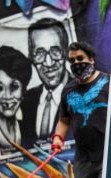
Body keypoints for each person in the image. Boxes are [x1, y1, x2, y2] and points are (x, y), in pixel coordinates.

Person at [51, 41, 109, 178]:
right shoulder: (69, 90)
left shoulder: (108, 82)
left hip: (109, 152)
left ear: (91, 59)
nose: (76, 63)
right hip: (84, 155)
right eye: (72, 60)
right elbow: (64, 119)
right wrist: (58, 138)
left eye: (80, 59)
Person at [21, 18, 69, 146]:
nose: (48, 62)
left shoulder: (84, 93)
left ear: (65, 52)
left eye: (55, 51)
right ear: (31, 57)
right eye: (40, 53)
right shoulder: (25, 102)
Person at [0, 46, 32, 154]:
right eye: (0, 88)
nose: (8, 96)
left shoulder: (29, 128)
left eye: (14, 87)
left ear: (23, 90)